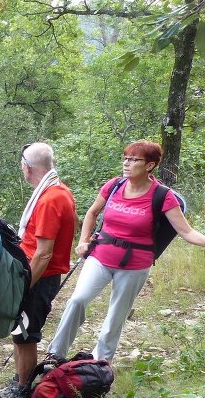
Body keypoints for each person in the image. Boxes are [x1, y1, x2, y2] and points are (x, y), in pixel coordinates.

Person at [47, 141, 205, 363]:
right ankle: (55, 355)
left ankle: (99, 365)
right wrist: (83, 241)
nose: (127, 163)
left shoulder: (163, 196)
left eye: (134, 160)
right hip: (101, 256)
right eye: (126, 158)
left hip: (135, 265)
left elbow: (187, 232)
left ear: (149, 165)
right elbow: (92, 213)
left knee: (115, 317)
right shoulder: (114, 186)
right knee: (77, 300)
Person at [0, 143, 76, 398]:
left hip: (40, 277)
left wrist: (23, 287)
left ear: (28, 166)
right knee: (19, 333)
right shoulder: (57, 191)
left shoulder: (49, 199)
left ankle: (21, 396)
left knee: (25, 335)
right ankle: (18, 383)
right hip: (39, 274)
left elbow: (44, 254)